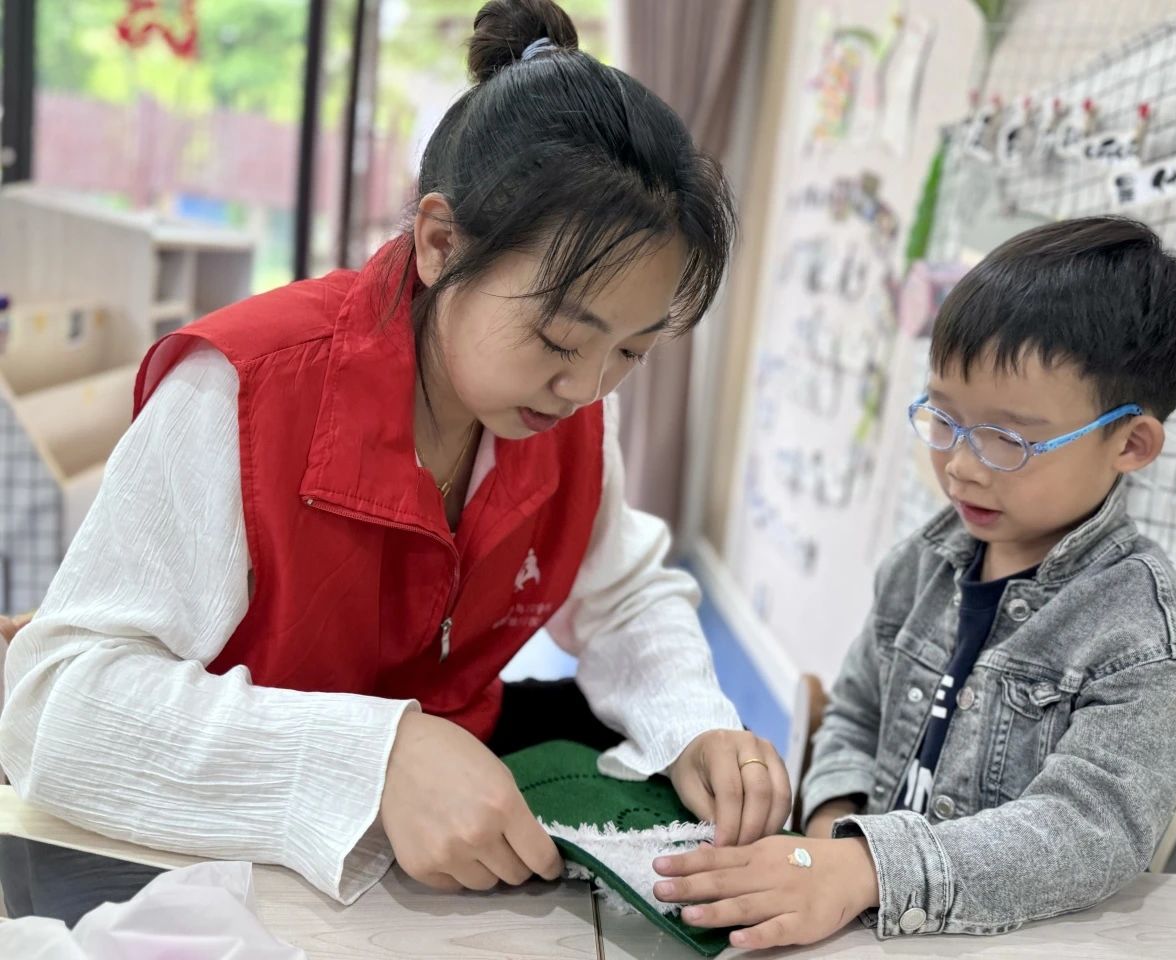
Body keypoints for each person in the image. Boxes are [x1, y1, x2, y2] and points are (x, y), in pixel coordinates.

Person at [0, 0, 789, 905]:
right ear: (439, 243)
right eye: (561, 338)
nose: (587, 387)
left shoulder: (560, 414)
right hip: (195, 860)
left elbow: (622, 594)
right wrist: (374, 757)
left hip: (412, 871)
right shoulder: (244, 392)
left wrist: (694, 723)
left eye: (632, 352)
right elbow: (54, 711)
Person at [652, 217, 1176, 950]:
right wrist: (828, 836)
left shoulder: (1142, 633)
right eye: (944, 418)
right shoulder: (921, 563)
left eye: (1008, 439)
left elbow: (1089, 830)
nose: (962, 467)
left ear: (1130, 443)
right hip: (871, 923)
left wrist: (865, 869)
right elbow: (854, 715)